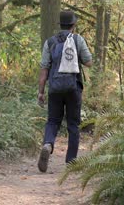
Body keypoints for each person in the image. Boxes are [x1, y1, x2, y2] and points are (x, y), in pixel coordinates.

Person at [37, 10, 93, 173]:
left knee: (53, 120)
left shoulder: (50, 42)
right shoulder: (77, 40)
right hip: (73, 87)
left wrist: (41, 92)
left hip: (54, 88)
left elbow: (44, 70)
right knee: (73, 124)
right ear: (73, 25)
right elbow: (89, 63)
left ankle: (48, 143)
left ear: (60, 25)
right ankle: (71, 162)